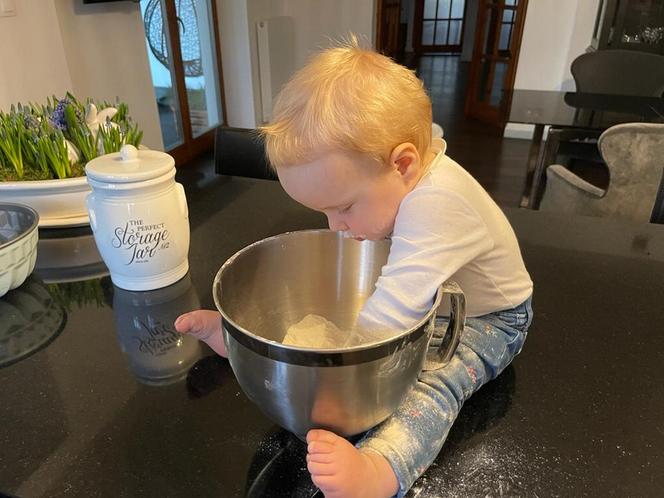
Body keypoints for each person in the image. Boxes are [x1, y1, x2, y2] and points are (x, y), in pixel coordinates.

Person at [175, 37, 534, 498]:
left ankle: (382, 472)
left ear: (402, 164)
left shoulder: (438, 206)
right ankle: (247, 346)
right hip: (438, 297)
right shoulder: (401, 176)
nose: (337, 227)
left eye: (343, 207)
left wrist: (329, 360)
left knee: (431, 386)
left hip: (492, 319)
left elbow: (390, 314)